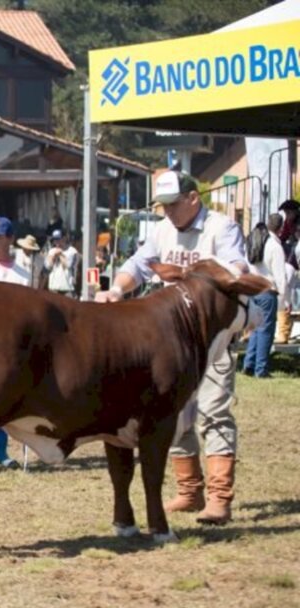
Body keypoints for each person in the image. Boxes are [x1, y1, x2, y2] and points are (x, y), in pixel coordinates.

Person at [96, 170, 249, 525]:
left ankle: (219, 497)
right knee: (172, 412)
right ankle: (188, 489)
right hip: (171, 339)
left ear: (194, 199)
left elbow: (236, 268)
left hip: (212, 338)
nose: (166, 212)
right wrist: (118, 289)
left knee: (213, 409)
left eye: (172, 205)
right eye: (162, 206)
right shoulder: (162, 231)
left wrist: (194, 274)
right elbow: (138, 264)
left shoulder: (221, 228)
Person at [0, 216, 32, 470]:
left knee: (3, 400)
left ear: (10, 239)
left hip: (9, 344)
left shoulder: (22, 274)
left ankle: (0, 454)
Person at [242, 220, 287, 378]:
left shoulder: (253, 242)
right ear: (280, 229)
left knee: (254, 329)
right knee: (266, 331)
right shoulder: (275, 247)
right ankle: (261, 370)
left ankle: (248, 364)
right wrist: (284, 300)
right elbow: (280, 276)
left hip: (252, 290)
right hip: (268, 291)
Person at [45, 230, 79, 298]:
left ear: (64, 238)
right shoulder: (51, 251)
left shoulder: (72, 251)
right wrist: (53, 256)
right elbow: (48, 266)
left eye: (58, 239)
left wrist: (60, 254)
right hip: (53, 287)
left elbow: (68, 265)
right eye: (54, 240)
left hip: (67, 288)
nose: (56, 242)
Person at [280, 199, 298, 268]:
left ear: (295, 211)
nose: (286, 216)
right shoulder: (288, 222)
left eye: (288, 213)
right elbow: (284, 236)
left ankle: (289, 266)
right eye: (285, 213)